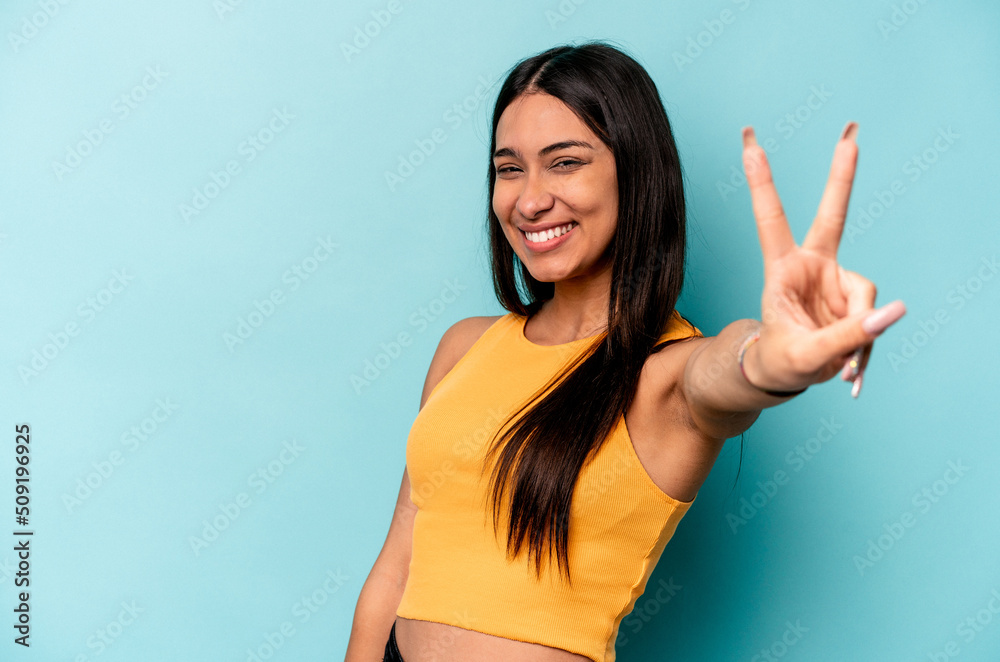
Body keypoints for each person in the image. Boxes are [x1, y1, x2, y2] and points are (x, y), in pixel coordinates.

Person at [344, 41, 906, 662]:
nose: (529, 200)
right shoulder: (464, 346)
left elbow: (730, 374)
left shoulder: (665, 374)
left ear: (635, 175)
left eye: (564, 163)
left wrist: (779, 352)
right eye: (509, 168)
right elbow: (394, 570)